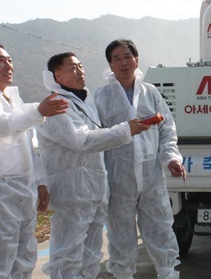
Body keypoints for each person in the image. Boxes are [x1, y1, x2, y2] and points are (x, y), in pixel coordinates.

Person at [0, 43, 69, 278]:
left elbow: (27, 146)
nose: (8, 65)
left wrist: (39, 182)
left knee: (24, 258)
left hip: (21, 190)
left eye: (9, 60)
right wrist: (38, 112)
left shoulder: (14, 103)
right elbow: (0, 127)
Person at [35, 52, 149, 279]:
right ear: (57, 74)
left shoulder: (84, 102)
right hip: (72, 189)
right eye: (72, 68)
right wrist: (125, 129)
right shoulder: (57, 105)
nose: (80, 71)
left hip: (93, 187)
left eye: (80, 66)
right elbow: (81, 140)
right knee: (68, 251)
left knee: (91, 252)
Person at [94, 39, 186, 279]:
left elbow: (167, 129)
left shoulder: (151, 92)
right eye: (117, 59)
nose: (123, 63)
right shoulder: (102, 97)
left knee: (160, 228)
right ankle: (123, 274)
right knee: (120, 234)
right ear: (110, 65)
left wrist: (171, 158)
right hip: (118, 178)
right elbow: (96, 138)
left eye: (128, 57)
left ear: (137, 60)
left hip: (151, 176)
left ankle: (167, 273)